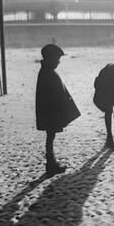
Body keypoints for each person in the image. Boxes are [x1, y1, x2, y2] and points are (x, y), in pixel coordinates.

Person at [35, 44, 81, 175]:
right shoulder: (47, 72)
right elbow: (51, 94)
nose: (58, 62)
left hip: (50, 111)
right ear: (50, 58)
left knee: (51, 136)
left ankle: (51, 162)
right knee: (50, 136)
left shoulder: (46, 71)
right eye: (57, 59)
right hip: (50, 112)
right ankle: (51, 164)